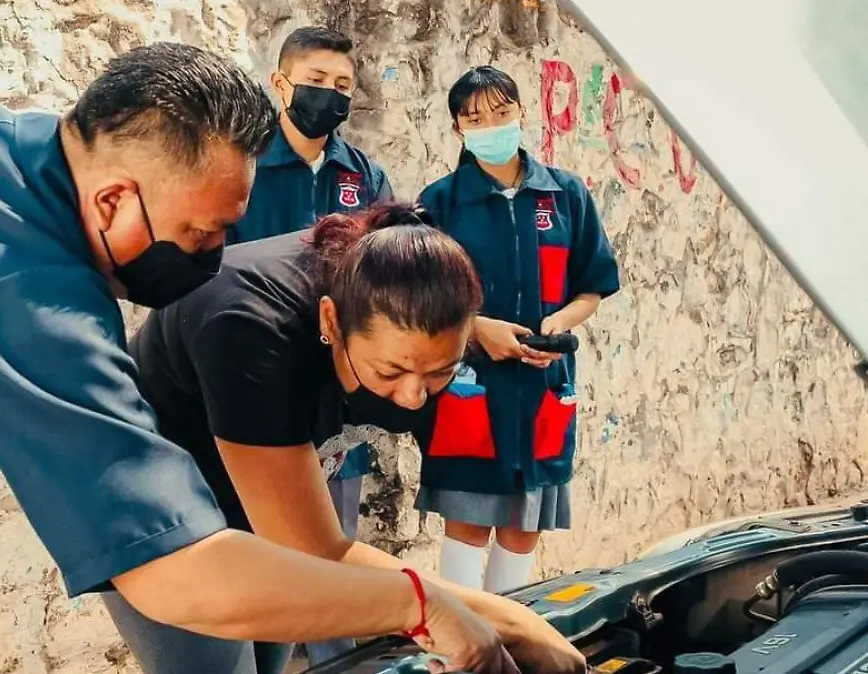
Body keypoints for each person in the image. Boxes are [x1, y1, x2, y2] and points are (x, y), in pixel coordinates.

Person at [0, 44, 517, 674]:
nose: (214, 260)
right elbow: (179, 577)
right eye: (202, 234)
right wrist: (417, 602)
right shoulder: (26, 302)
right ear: (113, 197)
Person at [119, 202, 588, 674]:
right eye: (392, 371)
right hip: (155, 508)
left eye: (439, 372)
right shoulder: (247, 327)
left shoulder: (395, 277)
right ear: (329, 323)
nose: (412, 397)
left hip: (257, 480)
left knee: (272, 654)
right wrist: (510, 619)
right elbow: (315, 551)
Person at [415, 65, 621, 594]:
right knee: (467, 518)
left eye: (501, 112)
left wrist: (559, 323)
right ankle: (459, 635)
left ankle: (510, 633)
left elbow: (592, 286)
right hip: (468, 382)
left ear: (522, 113)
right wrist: (477, 328)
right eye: (475, 117)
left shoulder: (565, 195)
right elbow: (421, 294)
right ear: (459, 129)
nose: (491, 125)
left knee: (524, 524)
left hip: (543, 384)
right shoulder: (439, 203)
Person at [227, 25, 395, 665]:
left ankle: (335, 660)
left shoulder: (363, 174)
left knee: (333, 544)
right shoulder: (243, 162)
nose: (330, 97)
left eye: (343, 86)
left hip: (332, 385)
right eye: (317, 82)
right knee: (259, 545)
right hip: (253, 376)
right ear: (281, 83)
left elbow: (383, 266)